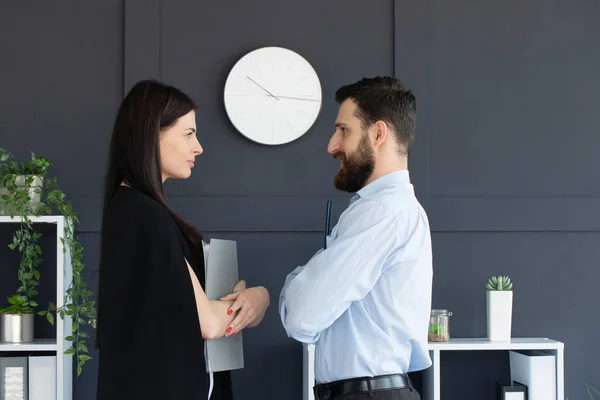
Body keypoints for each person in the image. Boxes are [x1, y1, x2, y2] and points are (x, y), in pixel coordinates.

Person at [96, 79, 270, 400]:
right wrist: (259, 297)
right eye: (188, 134)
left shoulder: (126, 209)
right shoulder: (145, 215)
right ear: (152, 135)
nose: (198, 147)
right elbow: (209, 323)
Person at [279, 76, 433, 400]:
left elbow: (301, 316)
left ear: (378, 133)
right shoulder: (389, 210)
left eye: (343, 130)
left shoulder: (382, 212)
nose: (332, 145)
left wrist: (296, 281)